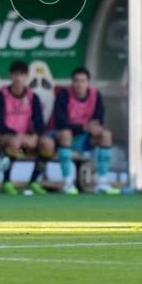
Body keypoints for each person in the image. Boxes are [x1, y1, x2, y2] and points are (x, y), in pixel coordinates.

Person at [0, 61, 55, 195]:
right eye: (15, 74)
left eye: (22, 74)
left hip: (26, 143)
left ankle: (33, 181)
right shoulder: (0, 96)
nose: (18, 78)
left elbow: (39, 121)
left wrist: (35, 136)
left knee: (48, 144)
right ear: (10, 76)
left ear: (26, 77)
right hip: (4, 139)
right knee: (15, 142)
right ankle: (7, 181)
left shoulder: (33, 97)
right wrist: (18, 135)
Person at [53, 67, 115, 195]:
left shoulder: (95, 95)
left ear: (88, 83)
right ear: (72, 82)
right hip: (64, 138)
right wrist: (83, 127)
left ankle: (102, 182)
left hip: (85, 138)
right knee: (65, 134)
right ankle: (67, 182)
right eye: (76, 81)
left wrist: (93, 128)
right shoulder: (64, 95)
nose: (79, 84)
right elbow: (60, 122)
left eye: (83, 81)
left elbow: (99, 119)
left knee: (106, 135)